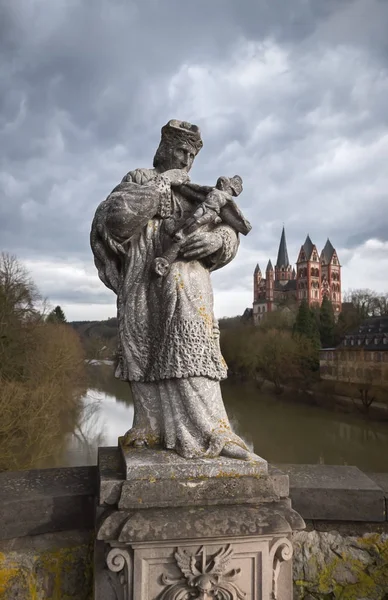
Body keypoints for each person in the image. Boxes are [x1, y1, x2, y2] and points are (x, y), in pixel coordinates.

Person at [90, 119, 253, 460]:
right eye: (181, 151)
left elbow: (229, 232)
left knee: (191, 345)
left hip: (187, 283)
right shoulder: (139, 180)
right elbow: (115, 220)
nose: (186, 160)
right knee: (143, 350)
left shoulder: (196, 193)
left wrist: (215, 240)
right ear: (164, 150)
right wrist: (163, 184)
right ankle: (149, 428)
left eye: (192, 154)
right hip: (142, 283)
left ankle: (216, 431)